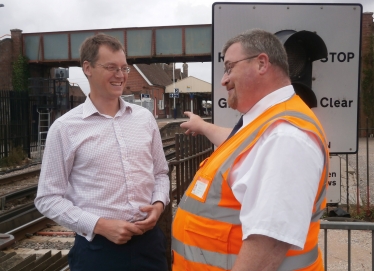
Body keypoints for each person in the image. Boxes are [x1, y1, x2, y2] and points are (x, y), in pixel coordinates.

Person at [171, 29, 329, 271]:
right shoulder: (264, 124)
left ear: (261, 63)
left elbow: (268, 245)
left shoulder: (285, 136)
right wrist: (202, 126)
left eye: (229, 67)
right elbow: (241, 148)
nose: (224, 79)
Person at [35, 33, 170, 271]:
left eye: (124, 68)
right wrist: (99, 225)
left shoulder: (145, 119)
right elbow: (47, 198)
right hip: (98, 251)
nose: (120, 75)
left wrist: (159, 204)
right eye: (111, 67)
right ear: (87, 68)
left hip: (150, 246)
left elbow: (160, 173)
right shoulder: (65, 128)